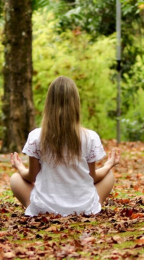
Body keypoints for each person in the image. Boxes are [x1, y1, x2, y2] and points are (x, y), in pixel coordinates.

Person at [9, 76, 120, 216]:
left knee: (15, 178)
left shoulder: (36, 136)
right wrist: (108, 165)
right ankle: (90, 209)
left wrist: (19, 167)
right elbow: (92, 177)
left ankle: (39, 209)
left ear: (49, 104)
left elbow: (32, 177)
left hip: (46, 209)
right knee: (108, 175)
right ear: (75, 104)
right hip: (82, 209)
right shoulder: (90, 137)